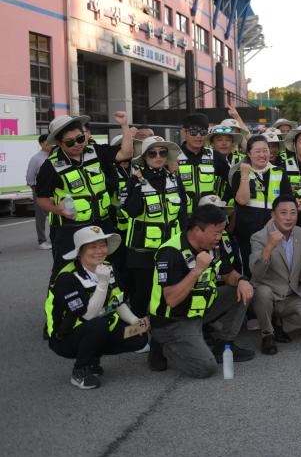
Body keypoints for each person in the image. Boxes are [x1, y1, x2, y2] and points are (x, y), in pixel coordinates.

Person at [148, 204, 255, 377]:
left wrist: (242, 280)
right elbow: (171, 299)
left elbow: (228, 274)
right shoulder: (170, 252)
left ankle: (223, 344)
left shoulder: (214, 246)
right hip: (175, 319)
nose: (219, 238)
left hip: (200, 308)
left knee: (245, 289)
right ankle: (163, 344)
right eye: (216, 233)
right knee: (205, 369)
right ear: (197, 230)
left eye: (221, 232)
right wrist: (197, 270)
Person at [45, 226, 148, 389]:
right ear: (80, 252)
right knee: (97, 325)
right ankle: (80, 371)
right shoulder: (67, 277)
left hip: (100, 326)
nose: (99, 251)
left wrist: (137, 322)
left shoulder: (107, 266)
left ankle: (92, 358)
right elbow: (86, 316)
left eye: (102, 245)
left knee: (139, 336)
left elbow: (117, 301)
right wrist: (102, 283)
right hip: (65, 336)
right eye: (93, 247)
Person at [34, 113, 135, 278]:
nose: (77, 144)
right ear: (59, 143)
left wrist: (124, 126)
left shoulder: (96, 151)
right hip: (70, 229)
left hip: (103, 224)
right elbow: (41, 199)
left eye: (80, 139)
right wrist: (58, 210)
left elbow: (125, 153)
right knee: (66, 271)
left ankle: (106, 300)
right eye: (70, 142)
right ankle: (59, 303)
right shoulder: (50, 166)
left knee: (108, 266)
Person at [250, 196, 301, 355]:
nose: (289, 217)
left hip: (291, 294)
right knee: (262, 292)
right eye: (283, 212)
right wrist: (269, 248)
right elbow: (256, 274)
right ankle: (267, 335)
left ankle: (280, 325)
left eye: (293, 213)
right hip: (269, 294)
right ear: (273, 215)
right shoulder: (259, 237)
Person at [122, 136, 188, 317]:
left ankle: (164, 329)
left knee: (169, 289)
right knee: (141, 293)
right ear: (144, 157)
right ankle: (137, 335)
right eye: (152, 153)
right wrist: (137, 185)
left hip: (170, 247)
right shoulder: (135, 180)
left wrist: (185, 241)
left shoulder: (174, 178)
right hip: (142, 250)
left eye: (162, 152)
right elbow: (132, 211)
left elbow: (182, 211)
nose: (158, 156)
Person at [231, 135, 293, 278]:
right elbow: (241, 200)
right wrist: (245, 176)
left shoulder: (279, 172)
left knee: (273, 265)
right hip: (248, 230)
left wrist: (276, 219)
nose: (262, 155)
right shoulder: (239, 174)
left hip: (274, 228)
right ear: (249, 153)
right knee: (250, 267)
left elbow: (287, 200)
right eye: (257, 151)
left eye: (265, 150)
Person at [176, 113, 230, 214]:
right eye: (193, 132)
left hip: (208, 217)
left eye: (203, 132)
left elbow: (233, 180)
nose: (199, 136)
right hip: (181, 218)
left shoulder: (215, 156)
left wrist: (223, 201)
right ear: (184, 132)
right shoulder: (173, 156)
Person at [27, 133, 53, 250]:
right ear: (42, 143)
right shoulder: (36, 158)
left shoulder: (54, 156)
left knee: (54, 215)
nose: (52, 145)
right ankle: (42, 241)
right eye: (49, 142)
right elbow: (30, 176)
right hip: (39, 189)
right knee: (41, 216)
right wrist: (35, 190)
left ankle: (54, 238)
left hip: (53, 190)